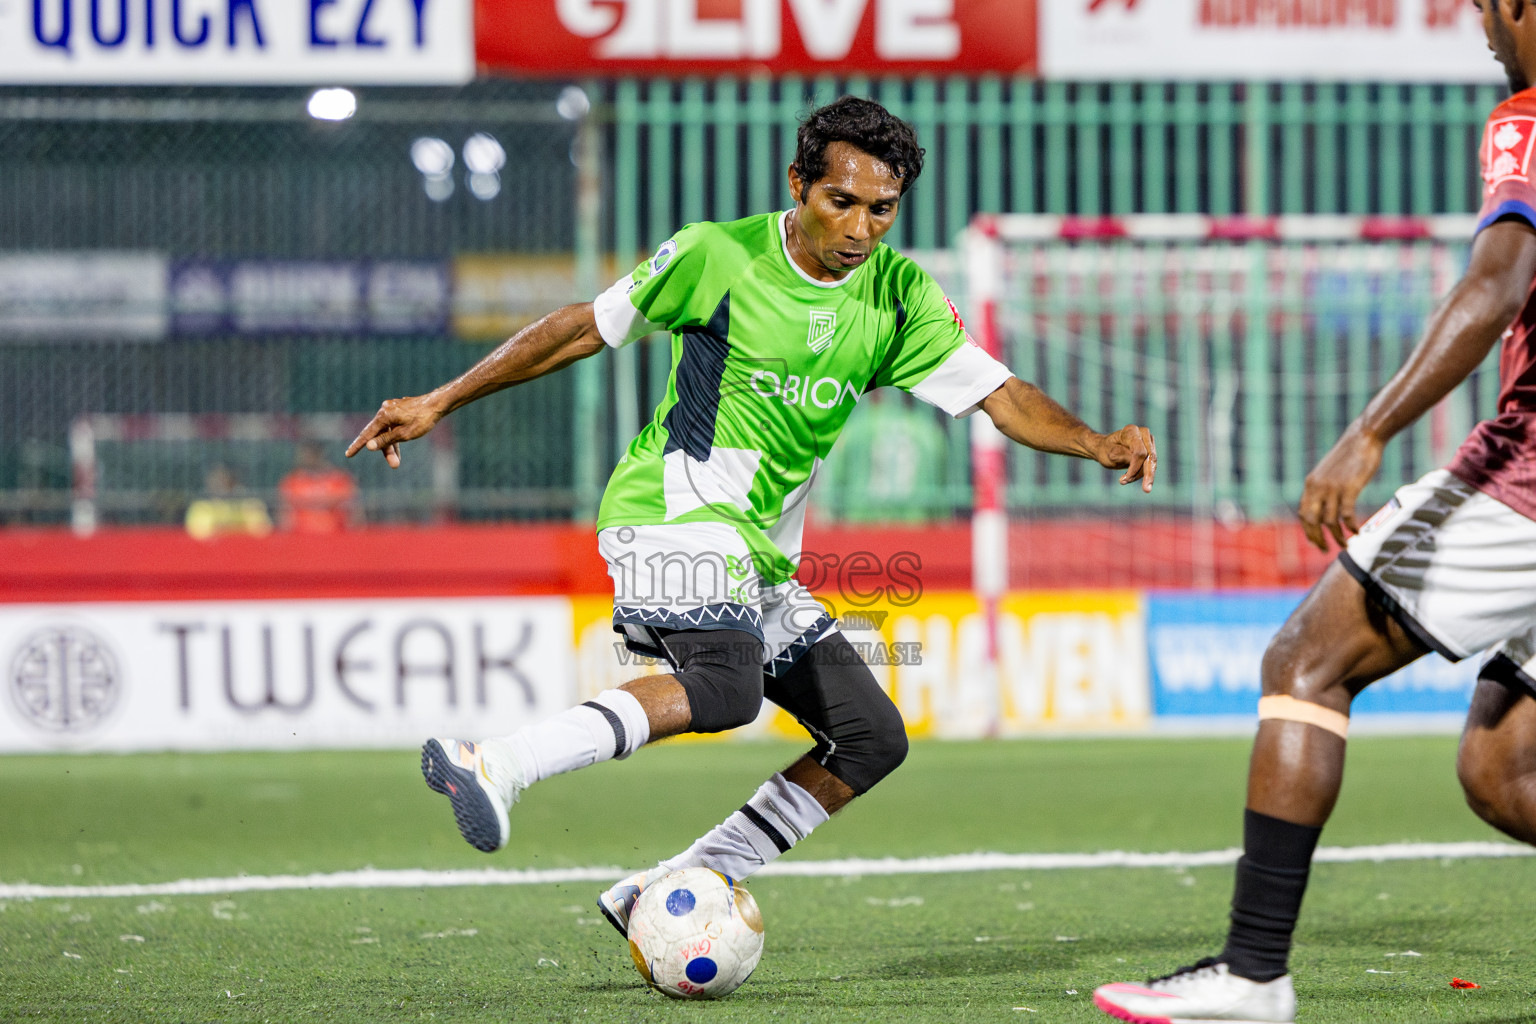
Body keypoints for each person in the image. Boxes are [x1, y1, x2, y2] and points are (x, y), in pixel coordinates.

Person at [348, 96, 1157, 935]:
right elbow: (580, 331)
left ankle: (670, 885)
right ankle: (498, 762)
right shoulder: (716, 255)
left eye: (882, 209)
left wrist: (1094, 441)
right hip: (671, 510)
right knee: (725, 689)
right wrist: (438, 401)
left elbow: (1001, 394)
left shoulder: (897, 295)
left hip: (758, 556)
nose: (861, 227)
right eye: (841, 201)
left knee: (871, 736)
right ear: (798, 185)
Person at [1093, 3, 1536, 1021]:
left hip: (1525, 480)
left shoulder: (1527, 118)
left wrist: (1370, 430)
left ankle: (1252, 971)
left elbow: (1498, 280)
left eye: (1482, 6)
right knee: (1505, 764)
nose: (1481, 29)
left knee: (1304, 661)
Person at [279, 441, 358, 533]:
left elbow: (351, 511)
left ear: (319, 454)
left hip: (335, 535)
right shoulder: (292, 481)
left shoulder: (340, 479)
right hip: (301, 536)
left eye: (309, 453)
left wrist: (307, 501)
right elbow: (284, 514)